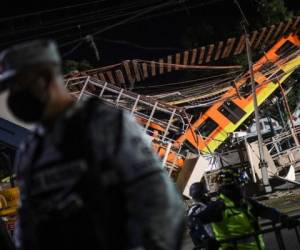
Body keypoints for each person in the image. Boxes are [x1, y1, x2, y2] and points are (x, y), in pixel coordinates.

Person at [0, 40, 185, 250]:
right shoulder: (30, 152)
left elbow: (161, 205)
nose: (12, 96)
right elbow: (28, 227)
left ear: (45, 79)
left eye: (18, 85)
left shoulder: (106, 125)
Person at [211, 167, 298, 250]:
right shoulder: (217, 207)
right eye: (240, 186)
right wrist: (207, 239)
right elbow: (199, 222)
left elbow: (264, 210)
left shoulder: (246, 202)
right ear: (230, 188)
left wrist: (283, 218)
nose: (242, 189)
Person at [187, 182, 223, 250]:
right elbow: (194, 227)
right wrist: (205, 238)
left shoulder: (205, 205)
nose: (207, 195)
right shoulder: (195, 210)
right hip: (207, 244)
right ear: (201, 195)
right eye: (205, 194)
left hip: (215, 241)